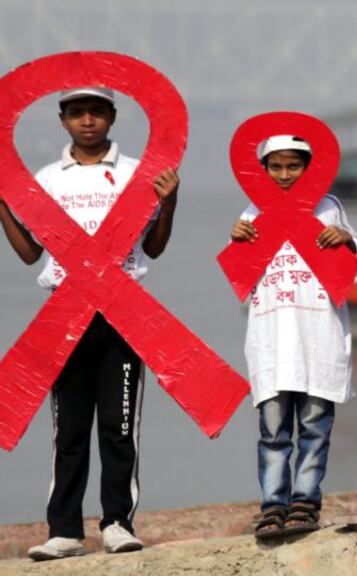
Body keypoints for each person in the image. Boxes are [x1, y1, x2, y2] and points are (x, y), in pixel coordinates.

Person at [0, 87, 180, 560]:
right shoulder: (46, 179)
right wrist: (1, 202)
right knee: (69, 430)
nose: (87, 121)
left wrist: (172, 201)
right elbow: (30, 253)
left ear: (112, 118)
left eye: (96, 112)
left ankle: (118, 522)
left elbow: (155, 248)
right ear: (62, 119)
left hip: (121, 312)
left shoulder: (136, 173)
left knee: (119, 426)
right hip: (64, 314)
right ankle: (64, 531)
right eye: (77, 112)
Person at [229, 134, 357, 539]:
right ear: (263, 171)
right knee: (273, 431)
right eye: (276, 166)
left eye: (294, 166)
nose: (285, 175)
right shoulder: (252, 214)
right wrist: (236, 239)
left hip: (318, 339)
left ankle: (305, 499)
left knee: (315, 425)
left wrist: (347, 238)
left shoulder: (329, 209)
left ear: (310, 168)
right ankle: (273, 503)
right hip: (272, 343)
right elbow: (240, 278)